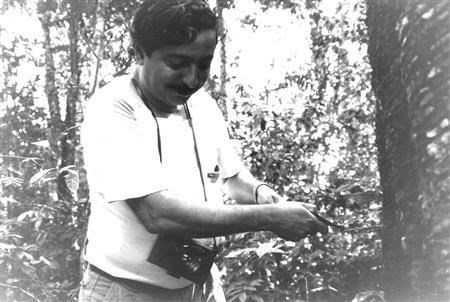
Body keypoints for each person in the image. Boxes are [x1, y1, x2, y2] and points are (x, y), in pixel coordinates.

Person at [79, 0, 328, 301]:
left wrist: (262, 193)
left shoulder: (203, 105)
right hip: (125, 290)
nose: (192, 79)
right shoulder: (113, 107)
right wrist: (272, 217)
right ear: (139, 53)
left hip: (196, 285)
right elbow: (156, 214)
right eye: (177, 63)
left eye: (204, 64)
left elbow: (232, 178)